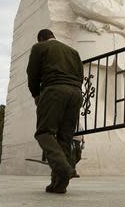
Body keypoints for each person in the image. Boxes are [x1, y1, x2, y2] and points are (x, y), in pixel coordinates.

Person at [26, 29, 84, 194]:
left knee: (44, 133)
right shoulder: (73, 52)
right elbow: (81, 75)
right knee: (64, 137)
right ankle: (59, 184)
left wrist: (36, 94)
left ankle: (64, 168)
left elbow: (32, 73)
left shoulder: (40, 48)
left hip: (54, 90)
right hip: (76, 93)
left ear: (41, 39)